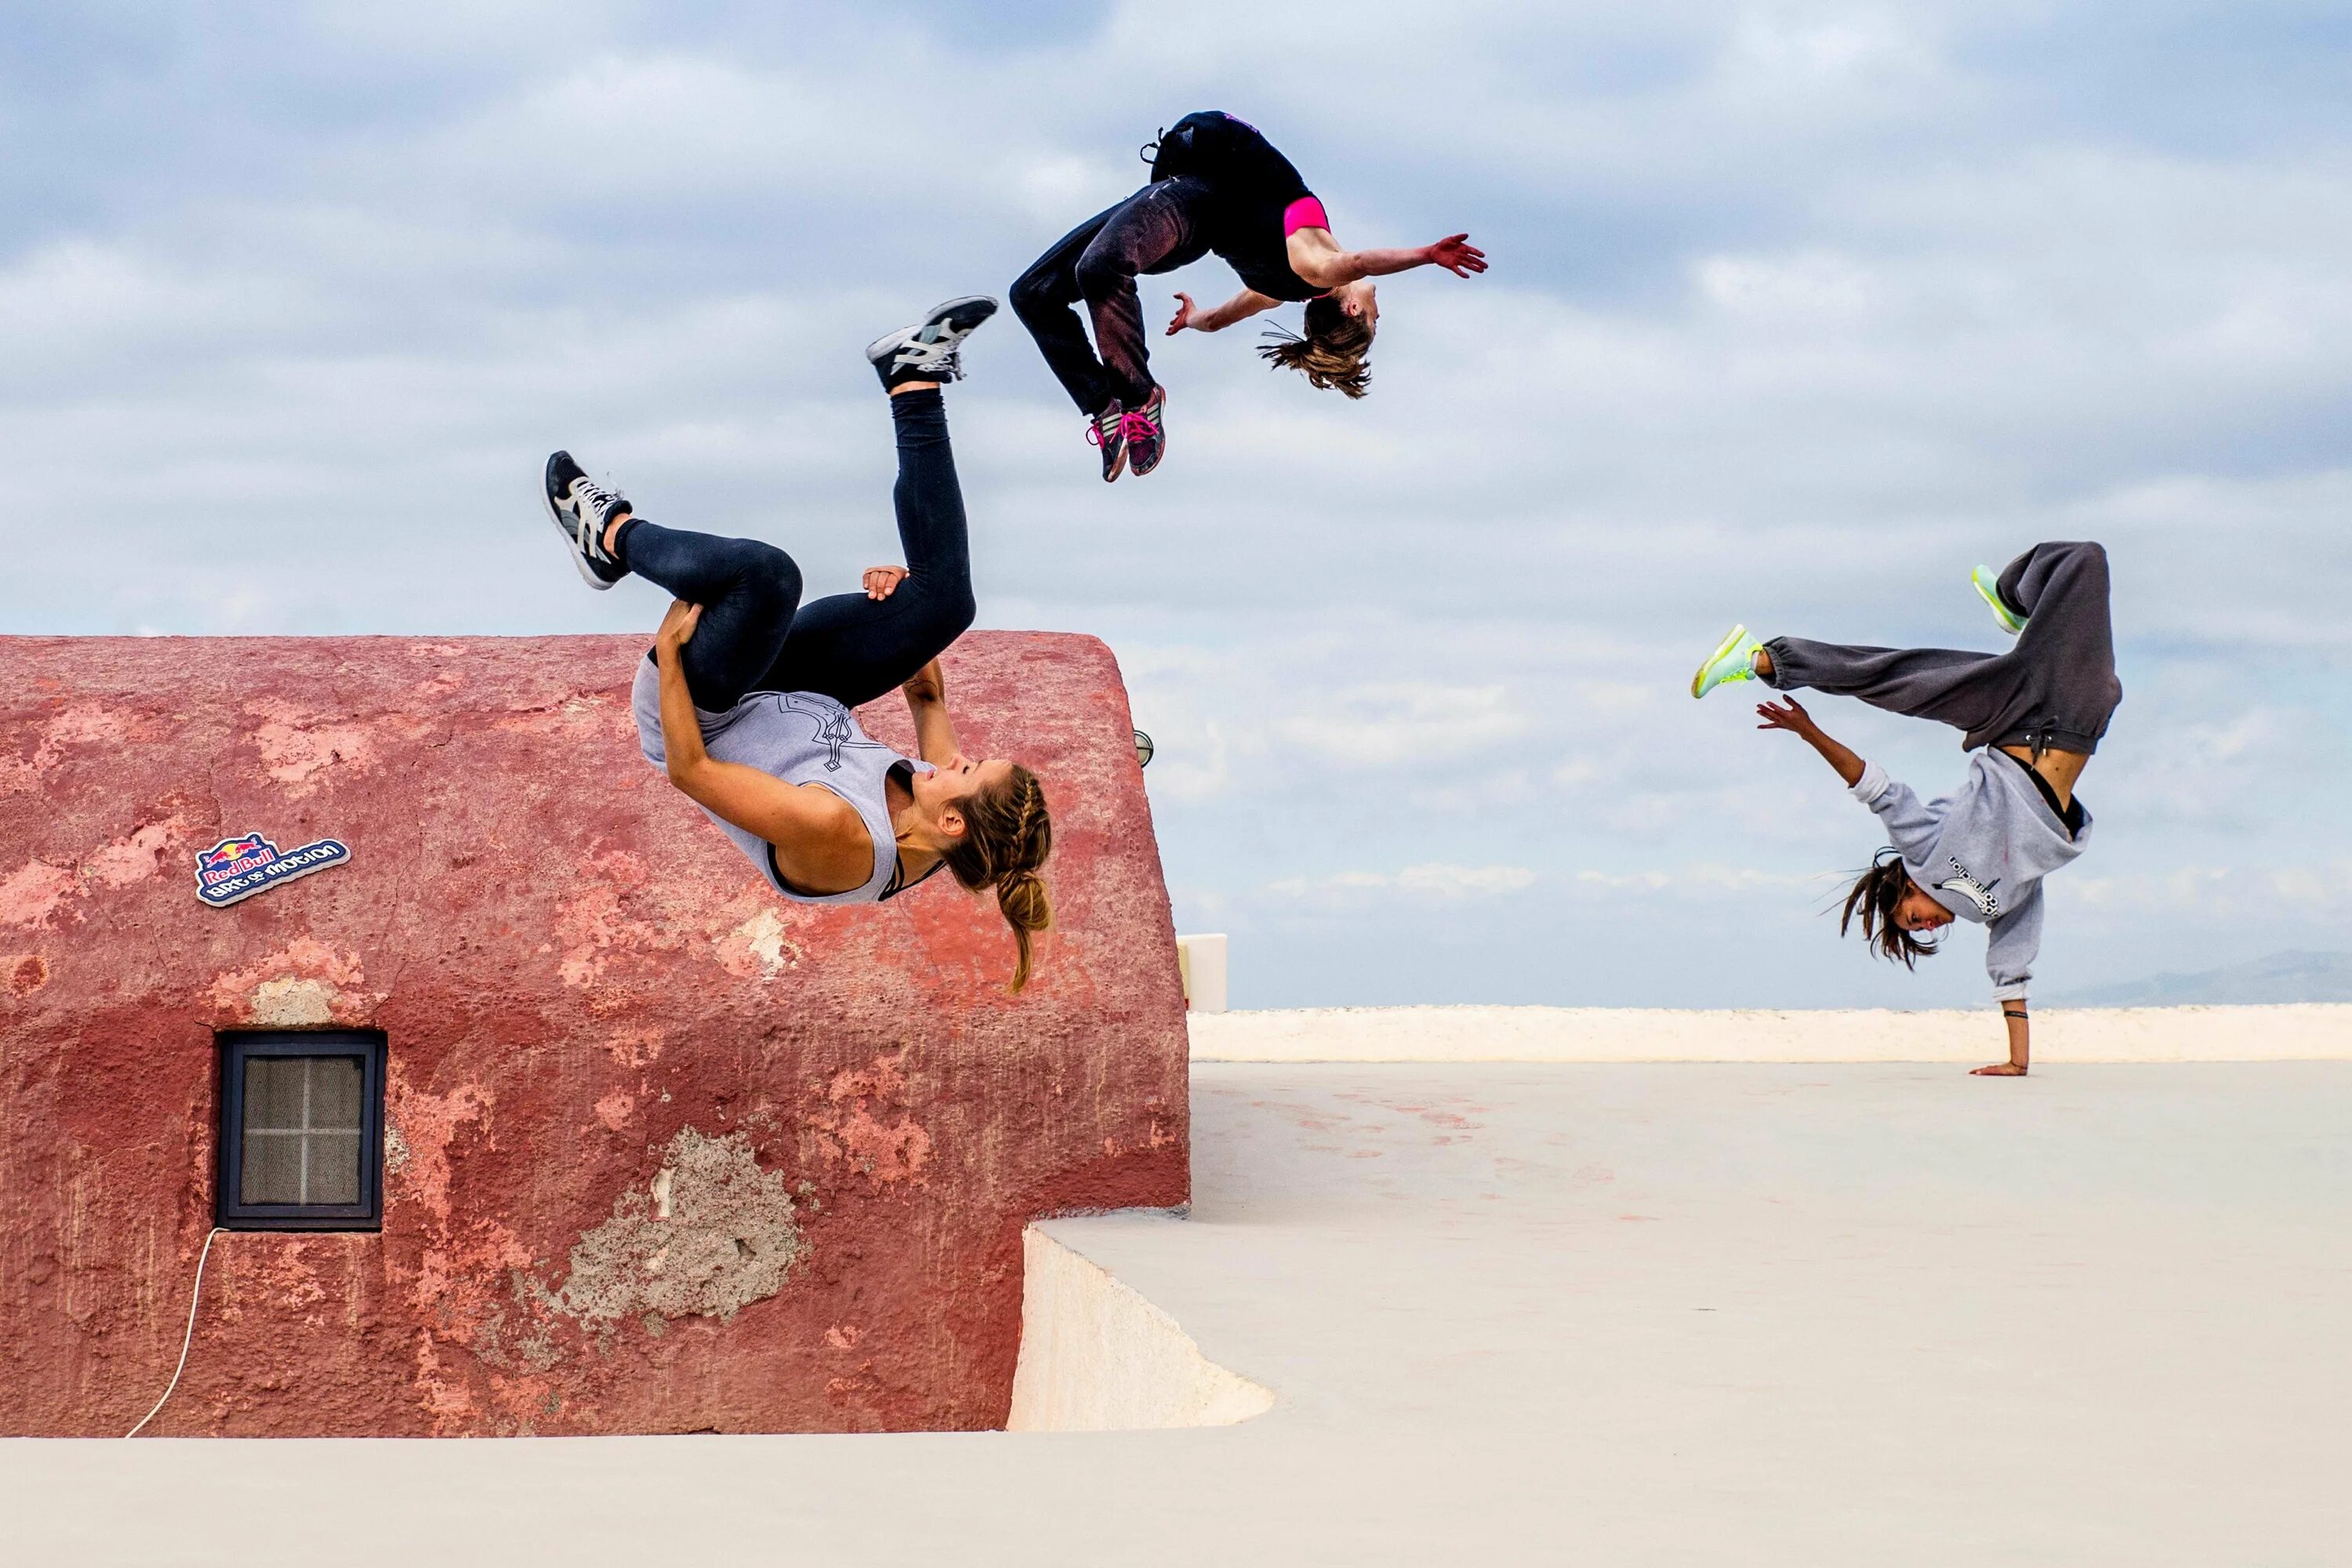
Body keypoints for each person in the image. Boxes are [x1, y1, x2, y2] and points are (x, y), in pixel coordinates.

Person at [537, 298, 1055, 992]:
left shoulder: (842, 836)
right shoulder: (953, 830)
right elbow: (926, 689)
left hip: (703, 712)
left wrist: (668, 662)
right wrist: (898, 602)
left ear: (954, 818)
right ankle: (914, 379)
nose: (954, 759)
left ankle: (608, 535)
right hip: (797, 689)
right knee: (948, 604)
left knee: (769, 577)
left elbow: (690, 773)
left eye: (968, 769)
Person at [1690, 543, 2122, 1076]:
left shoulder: (1923, 852)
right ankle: (2021, 614)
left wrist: (1809, 733)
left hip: (2009, 720)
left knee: (1898, 677)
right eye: (1921, 931)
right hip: (2077, 717)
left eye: (1911, 918)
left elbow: (1873, 785)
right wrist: (2017, 1062)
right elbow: (2011, 968)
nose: (1924, 926)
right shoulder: (1997, 906)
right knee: (2086, 568)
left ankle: (1761, 658)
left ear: (1908, 887)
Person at [1010, 110, 1487, 483]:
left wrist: (1426, 254)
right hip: (1175, 199)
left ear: (1353, 308)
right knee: (1032, 295)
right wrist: (1195, 318)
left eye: (1375, 320)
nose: (1380, 311)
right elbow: (1219, 320)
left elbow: (1359, 264)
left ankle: (1140, 400)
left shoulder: (1315, 266)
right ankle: (1104, 405)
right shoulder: (1278, 291)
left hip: (1190, 208)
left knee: (1100, 267)